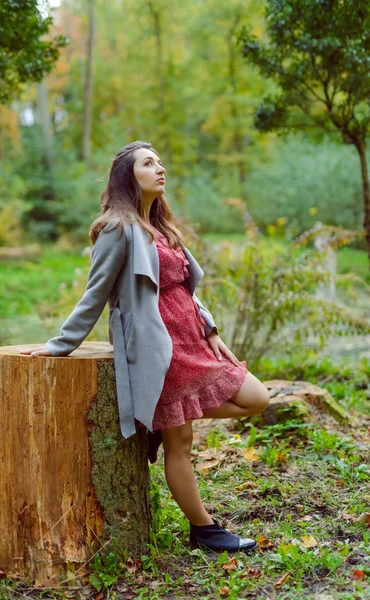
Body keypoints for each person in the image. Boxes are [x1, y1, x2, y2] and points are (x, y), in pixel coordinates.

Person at [20, 140, 270, 554]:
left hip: (192, 340)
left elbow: (185, 288)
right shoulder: (117, 228)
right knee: (182, 444)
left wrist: (211, 328)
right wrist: (60, 345)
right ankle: (204, 528)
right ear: (127, 176)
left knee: (256, 397)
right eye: (148, 163)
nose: (160, 168)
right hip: (160, 349)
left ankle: (156, 414)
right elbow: (95, 294)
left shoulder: (162, 226)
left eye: (159, 161)